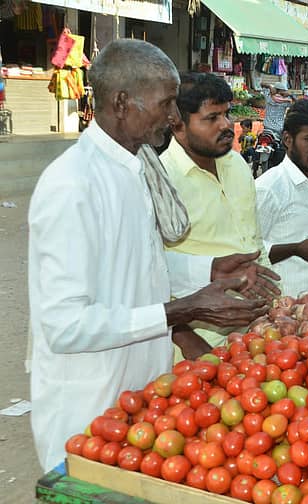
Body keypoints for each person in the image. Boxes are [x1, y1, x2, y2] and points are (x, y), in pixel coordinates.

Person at [28, 39, 272, 472]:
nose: (173, 116)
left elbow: (138, 265)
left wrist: (209, 269)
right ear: (123, 103)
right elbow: (65, 326)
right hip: (89, 401)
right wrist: (182, 310)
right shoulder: (71, 184)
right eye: (166, 103)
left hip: (142, 393)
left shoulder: (137, 165)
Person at [161, 72, 281, 355]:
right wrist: (189, 342)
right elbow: (150, 275)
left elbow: (253, 240)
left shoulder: (236, 164)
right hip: (200, 347)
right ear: (177, 125)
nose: (227, 125)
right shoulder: (162, 182)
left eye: (227, 114)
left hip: (259, 334)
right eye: (211, 118)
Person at [256, 100, 308, 297]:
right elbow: (250, 250)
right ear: (287, 139)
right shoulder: (269, 188)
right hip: (287, 307)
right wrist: (295, 249)